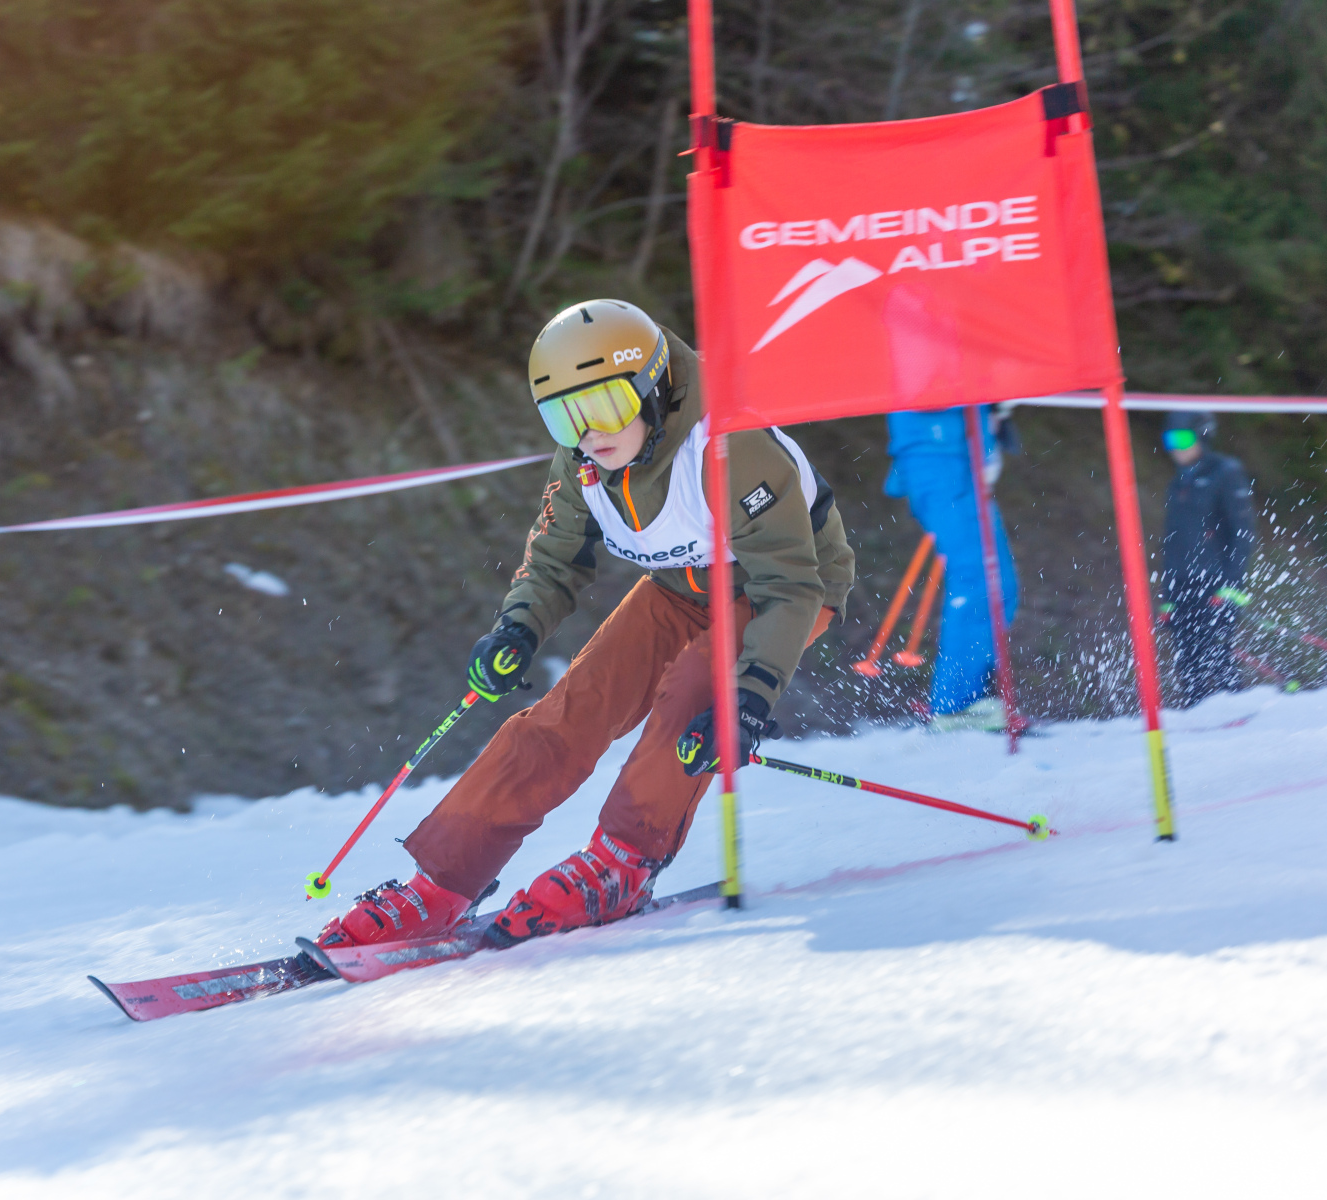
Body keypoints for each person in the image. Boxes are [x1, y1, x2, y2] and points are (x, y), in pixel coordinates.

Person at [314, 299, 855, 949]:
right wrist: (517, 629)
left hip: (783, 589)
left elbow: (790, 585)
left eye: (605, 406)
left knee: (692, 692)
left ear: (652, 387)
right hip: (679, 587)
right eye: (563, 415)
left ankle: (622, 863)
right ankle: (440, 883)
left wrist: (751, 696)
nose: (589, 432)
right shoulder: (582, 462)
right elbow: (553, 561)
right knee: (572, 709)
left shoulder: (729, 445)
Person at [882, 406, 1018, 731]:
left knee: (1000, 586)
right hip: (940, 459)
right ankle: (958, 703)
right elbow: (928, 387)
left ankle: (968, 695)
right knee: (981, 583)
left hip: (955, 457)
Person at [1159, 411, 1256, 705]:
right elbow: (1172, 542)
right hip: (1182, 584)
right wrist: (1168, 596)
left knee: (1217, 656)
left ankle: (1235, 714)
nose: (1176, 448)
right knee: (1188, 662)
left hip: (1215, 583)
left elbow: (1242, 532)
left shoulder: (1224, 472)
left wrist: (1231, 584)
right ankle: (1196, 716)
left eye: (1182, 439)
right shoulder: (1179, 481)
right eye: (1169, 441)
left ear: (1202, 436)